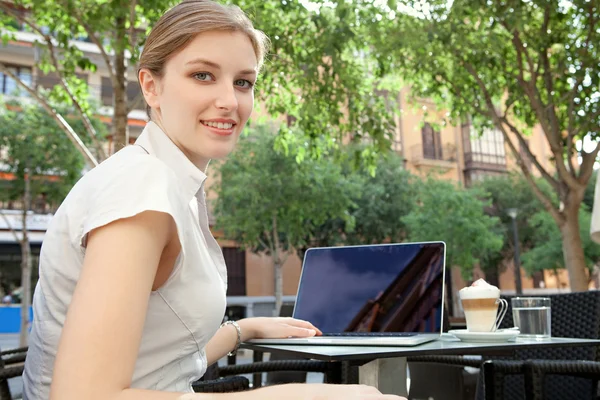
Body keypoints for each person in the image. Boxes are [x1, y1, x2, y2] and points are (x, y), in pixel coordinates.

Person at [21, 1, 406, 399]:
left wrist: (244, 330)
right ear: (151, 86)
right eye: (203, 75)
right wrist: (304, 395)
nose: (229, 101)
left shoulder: (167, 181)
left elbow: (160, 362)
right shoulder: (142, 190)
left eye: (243, 82)